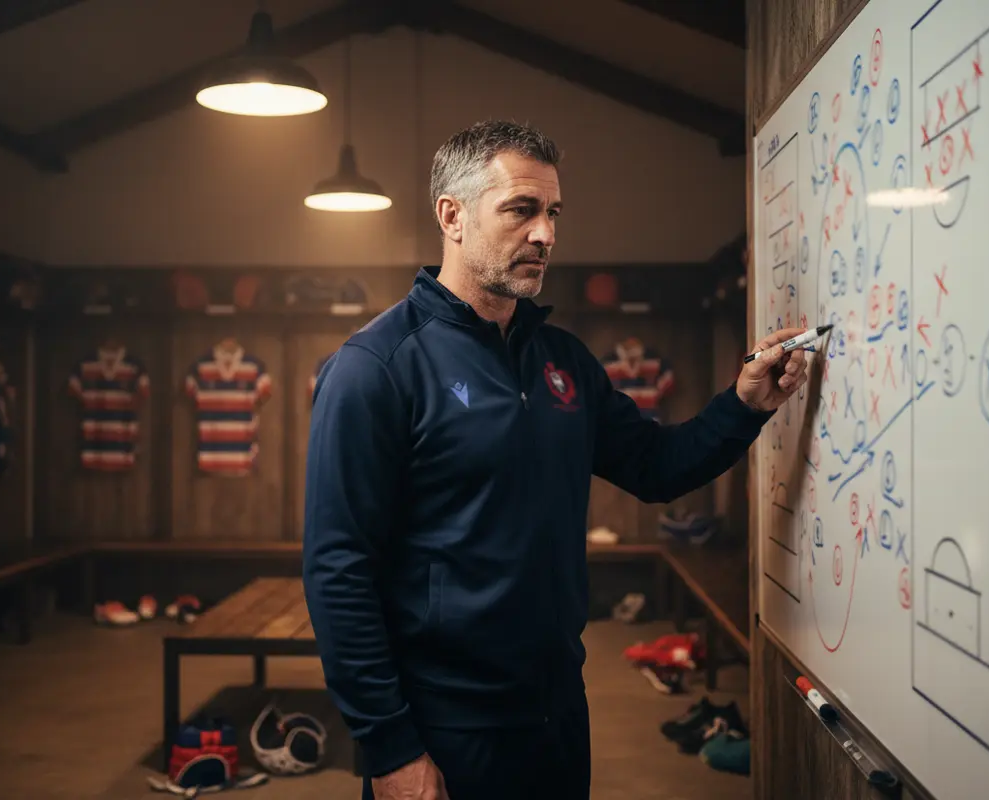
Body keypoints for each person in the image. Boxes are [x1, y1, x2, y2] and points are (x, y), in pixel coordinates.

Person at [301, 120, 809, 800]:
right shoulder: (376, 368)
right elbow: (339, 572)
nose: (545, 233)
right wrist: (391, 749)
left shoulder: (562, 360)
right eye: (521, 210)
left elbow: (657, 467)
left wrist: (744, 405)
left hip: (558, 716)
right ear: (451, 216)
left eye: (552, 213)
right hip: (446, 729)